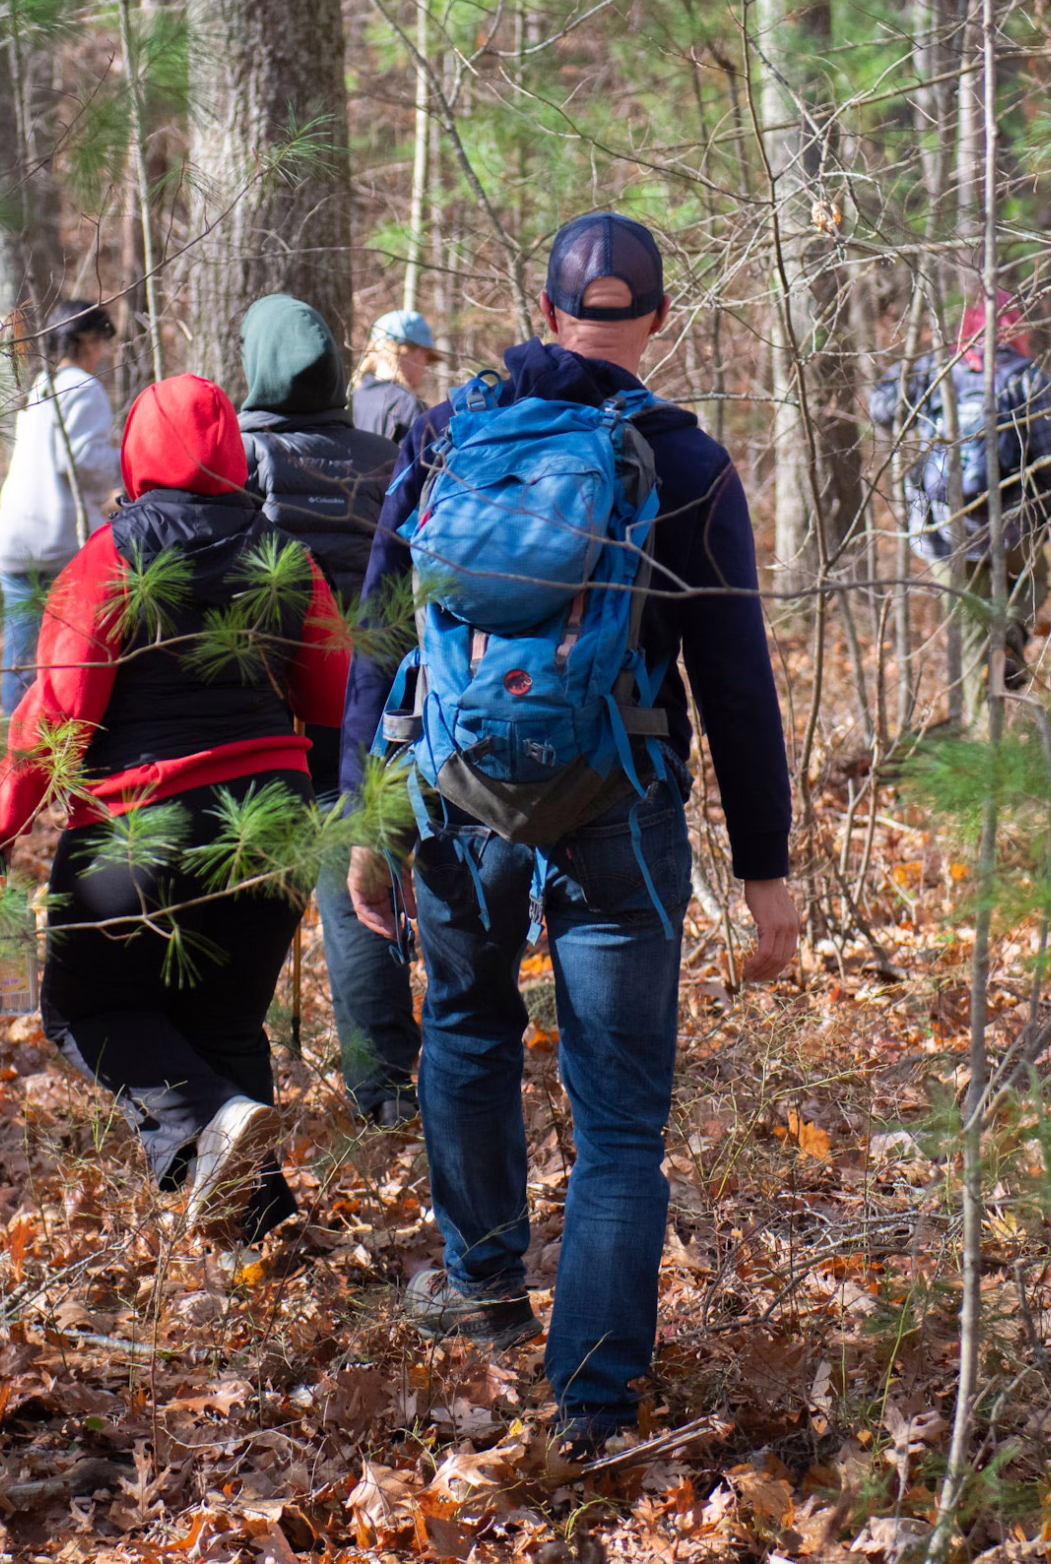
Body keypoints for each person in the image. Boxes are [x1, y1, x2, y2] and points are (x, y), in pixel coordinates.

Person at [339, 211, 800, 1456]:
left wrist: (365, 816)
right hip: (620, 804)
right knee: (617, 1119)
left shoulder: (445, 438)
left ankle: (484, 1287)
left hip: (459, 798)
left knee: (470, 1027)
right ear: (651, 322)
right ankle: (592, 1400)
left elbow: (381, 637)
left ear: (545, 314)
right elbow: (737, 681)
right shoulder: (685, 463)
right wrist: (768, 876)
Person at [0, 374, 349, 1242]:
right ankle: (266, 1245)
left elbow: (59, 716)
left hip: (140, 831)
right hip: (272, 825)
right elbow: (330, 694)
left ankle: (216, 1133)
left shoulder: (108, 558)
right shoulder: (284, 557)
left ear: (137, 452)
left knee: (85, 1011)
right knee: (223, 1025)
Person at [232, 294, 415, 1126]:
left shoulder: (238, 459)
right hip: (370, 714)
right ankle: (385, 1089)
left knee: (243, 897)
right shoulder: (387, 459)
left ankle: (223, 1082)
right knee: (360, 896)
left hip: (264, 714)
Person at [873, 295, 1051, 732]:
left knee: (971, 631)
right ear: (1014, 328)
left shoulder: (934, 371)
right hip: (1011, 525)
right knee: (1033, 584)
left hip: (941, 528)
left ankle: (979, 719)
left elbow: (880, 409)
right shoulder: (1025, 378)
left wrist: (917, 366)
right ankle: (1010, 648)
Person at [0, 299, 120, 715]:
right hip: (58, 541)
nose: (102, 353)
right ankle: (60, 749)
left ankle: (17, 752)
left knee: (23, 660)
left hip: (14, 538)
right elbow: (82, 461)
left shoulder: (40, 385)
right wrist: (125, 458)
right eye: (101, 341)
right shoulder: (84, 387)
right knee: (67, 660)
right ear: (84, 341)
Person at [350, 307, 444, 444]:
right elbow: (421, 463)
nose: (427, 367)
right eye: (427, 358)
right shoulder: (407, 405)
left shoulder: (351, 395)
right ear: (407, 352)